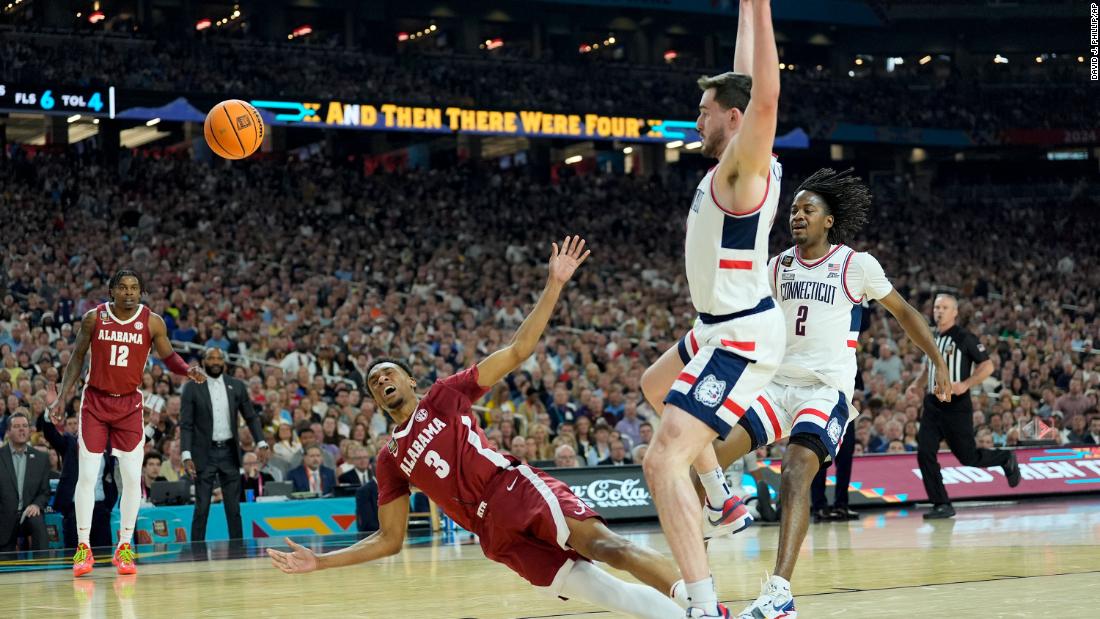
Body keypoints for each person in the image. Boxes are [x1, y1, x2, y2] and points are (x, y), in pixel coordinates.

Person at [268, 237, 689, 619]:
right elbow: (389, 539)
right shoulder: (389, 459)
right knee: (608, 593)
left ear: (410, 381)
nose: (381, 381)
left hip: (513, 490)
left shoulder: (444, 395)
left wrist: (554, 285)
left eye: (388, 373)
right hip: (493, 536)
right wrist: (321, 562)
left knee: (608, 547)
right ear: (375, 400)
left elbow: (519, 350)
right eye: (374, 382)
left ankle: (705, 605)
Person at [690, 168, 954, 617]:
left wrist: (939, 362)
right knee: (702, 463)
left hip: (824, 391)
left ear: (828, 220)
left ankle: (779, 592)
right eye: (793, 209)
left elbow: (905, 313)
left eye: (808, 209)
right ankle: (695, 580)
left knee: (796, 469)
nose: (797, 215)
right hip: (774, 386)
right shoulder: (777, 266)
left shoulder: (856, 265)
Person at [638, 2, 786, 615]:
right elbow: (744, 79)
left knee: (662, 458)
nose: (694, 119)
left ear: (733, 119)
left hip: (740, 337)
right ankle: (724, 497)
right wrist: (751, 7)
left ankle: (702, 603)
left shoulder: (742, 170)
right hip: (713, 327)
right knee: (654, 384)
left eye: (704, 111)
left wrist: (767, 15)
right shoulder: (735, 161)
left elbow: (764, 96)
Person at [47, 269, 206, 577]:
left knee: (133, 479)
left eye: (135, 287)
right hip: (95, 401)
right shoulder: (94, 318)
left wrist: (187, 370)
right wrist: (62, 397)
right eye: (124, 287)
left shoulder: (152, 321)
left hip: (129, 405)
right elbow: (77, 358)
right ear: (112, 291)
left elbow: (168, 356)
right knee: (88, 476)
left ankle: (124, 546)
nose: (130, 292)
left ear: (141, 291)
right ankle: (83, 547)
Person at [909, 294, 1021, 520]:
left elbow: (987, 366)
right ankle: (941, 503)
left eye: (944, 307)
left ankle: (1004, 458)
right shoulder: (931, 337)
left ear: (955, 312)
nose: (939, 311)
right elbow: (928, 367)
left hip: (956, 405)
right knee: (924, 453)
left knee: (968, 457)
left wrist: (966, 384)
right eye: (936, 307)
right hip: (932, 403)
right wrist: (916, 384)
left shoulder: (964, 337)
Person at [180, 347, 267, 541]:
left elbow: (251, 417)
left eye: (219, 358)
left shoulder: (236, 385)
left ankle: (238, 551)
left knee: (234, 508)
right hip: (204, 454)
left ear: (225, 362)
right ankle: (197, 552)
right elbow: (185, 424)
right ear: (204, 362)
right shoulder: (192, 388)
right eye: (211, 358)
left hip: (229, 452)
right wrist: (186, 454)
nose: (216, 362)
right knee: (202, 508)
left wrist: (261, 442)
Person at [37, 413, 117, 549]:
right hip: (75, 510)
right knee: (75, 558)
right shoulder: (70, 443)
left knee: (103, 558)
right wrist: (48, 414)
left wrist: (152, 427)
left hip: (100, 510)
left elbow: (130, 444)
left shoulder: (106, 446)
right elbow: (51, 434)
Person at [0, 413, 50, 551]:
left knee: (38, 521)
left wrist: (36, 504)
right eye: (16, 426)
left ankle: (41, 568)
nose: (22, 429)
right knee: (7, 567)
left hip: (28, 515)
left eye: (25, 426)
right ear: (8, 432)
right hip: (4, 517)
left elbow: (45, 492)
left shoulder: (41, 458)